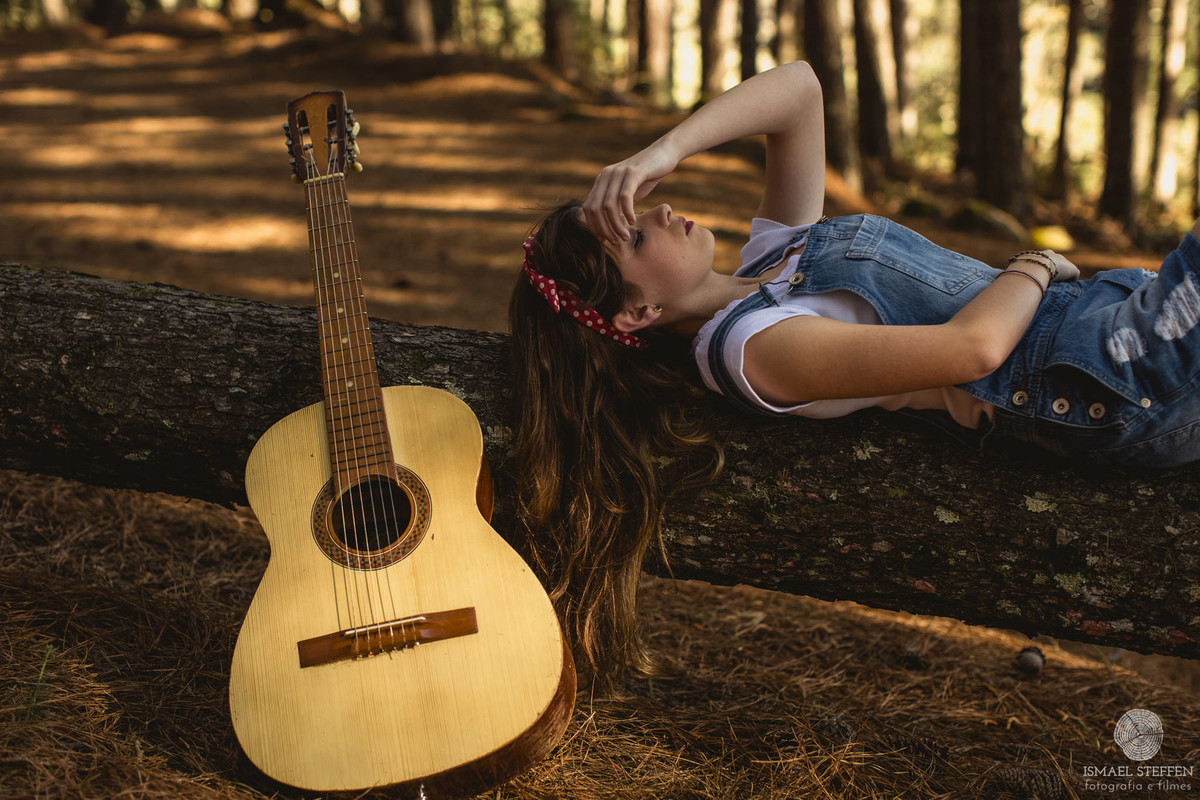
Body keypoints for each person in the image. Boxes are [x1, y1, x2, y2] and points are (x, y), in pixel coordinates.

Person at [508, 61, 1200, 687]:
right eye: (636, 236)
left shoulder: (772, 259)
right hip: (1101, 377)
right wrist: (1037, 262)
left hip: (1111, 326)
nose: (660, 209)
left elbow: (800, 92)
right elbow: (975, 350)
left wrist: (662, 151)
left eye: (641, 207)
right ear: (638, 313)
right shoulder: (750, 347)